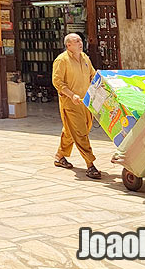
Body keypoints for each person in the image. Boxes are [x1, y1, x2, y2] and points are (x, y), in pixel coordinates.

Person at [52, 33, 100, 179]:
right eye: (76, 41)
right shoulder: (61, 60)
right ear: (68, 45)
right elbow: (58, 82)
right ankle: (90, 164)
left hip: (85, 103)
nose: (80, 43)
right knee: (80, 133)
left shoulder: (85, 58)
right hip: (71, 103)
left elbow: (92, 75)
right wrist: (71, 95)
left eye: (80, 40)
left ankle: (60, 156)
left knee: (71, 130)